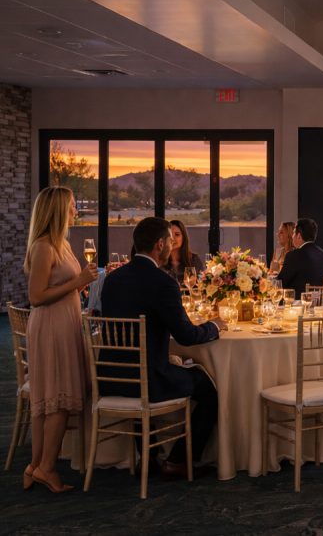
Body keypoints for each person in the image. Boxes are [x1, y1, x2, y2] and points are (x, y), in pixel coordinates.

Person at [100, 217, 223, 478]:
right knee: (209, 388)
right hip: (149, 379)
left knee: (173, 367)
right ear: (159, 244)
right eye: (169, 239)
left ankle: (148, 457)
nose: (171, 244)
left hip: (111, 378)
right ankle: (178, 460)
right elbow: (187, 336)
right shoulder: (163, 282)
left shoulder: (113, 279)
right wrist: (214, 326)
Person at [22, 186, 98, 493]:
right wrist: (79, 282)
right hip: (51, 327)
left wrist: (80, 292)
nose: (75, 211)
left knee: (47, 402)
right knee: (58, 401)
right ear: (57, 210)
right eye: (71, 206)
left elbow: (63, 286)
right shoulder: (43, 247)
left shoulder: (61, 244)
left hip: (64, 321)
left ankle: (35, 465)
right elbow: (36, 297)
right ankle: (48, 468)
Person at [277, 217, 323, 294]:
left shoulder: (293, 255)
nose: (292, 236)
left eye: (294, 233)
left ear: (299, 236)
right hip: (321, 304)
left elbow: (280, 283)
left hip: (298, 304)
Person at [161, 219, 202, 285]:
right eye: (170, 235)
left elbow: (201, 284)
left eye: (177, 234)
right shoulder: (160, 261)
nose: (173, 238)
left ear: (183, 237)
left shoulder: (194, 259)